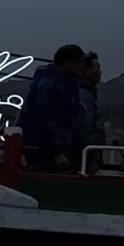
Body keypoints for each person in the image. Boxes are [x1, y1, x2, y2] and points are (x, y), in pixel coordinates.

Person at [20, 44, 87, 172]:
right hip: (45, 153)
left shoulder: (67, 84)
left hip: (57, 148)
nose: (83, 66)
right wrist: (56, 152)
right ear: (67, 64)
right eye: (79, 62)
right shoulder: (49, 87)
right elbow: (41, 120)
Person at [72, 50, 103, 173]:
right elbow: (83, 128)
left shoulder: (85, 94)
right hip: (83, 161)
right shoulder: (84, 96)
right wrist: (91, 158)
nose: (100, 72)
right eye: (97, 68)